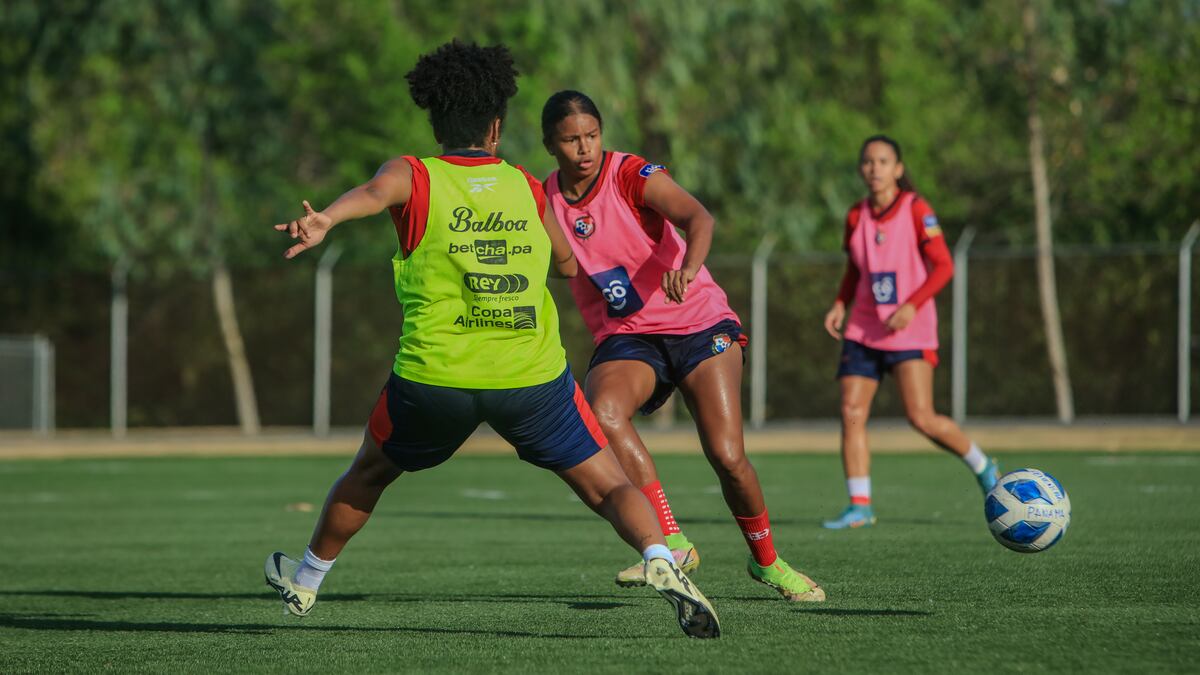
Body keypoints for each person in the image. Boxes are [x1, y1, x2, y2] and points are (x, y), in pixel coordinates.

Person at [263, 41, 719, 639]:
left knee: (368, 473)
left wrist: (326, 217)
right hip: (530, 379)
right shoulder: (526, 185)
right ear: (497, 126)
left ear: (435, 124)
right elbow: (565, 263)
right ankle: (659, 556)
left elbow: (373, 196)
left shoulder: (415, 174)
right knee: (610, 485)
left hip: (436, 379)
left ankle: (305, 581)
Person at [539, 90, 824, 602]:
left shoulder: (630, 174)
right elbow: (559, 266)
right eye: (571, 139)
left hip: (697, 321)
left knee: (727, 456)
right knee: (602, 411)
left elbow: (699, 218)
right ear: (549, 145)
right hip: (630, 335)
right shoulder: (546, 200)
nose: (584, 148)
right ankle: (672, 541)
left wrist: (688, 268)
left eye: (592, 135)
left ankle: (767, 563)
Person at [821, 134, 1001, 530]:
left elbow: (944, 266)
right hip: (864, 327)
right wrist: (840, 302)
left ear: (898, 169)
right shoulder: (855, 216)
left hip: (910, 329)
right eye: (868, 162)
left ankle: (983, 465)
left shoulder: (916, 209)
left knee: (921, 417)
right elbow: (854, 269)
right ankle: (859, 505)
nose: (874, 168)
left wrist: (911, 306)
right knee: (851, 412)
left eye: (883, 161)